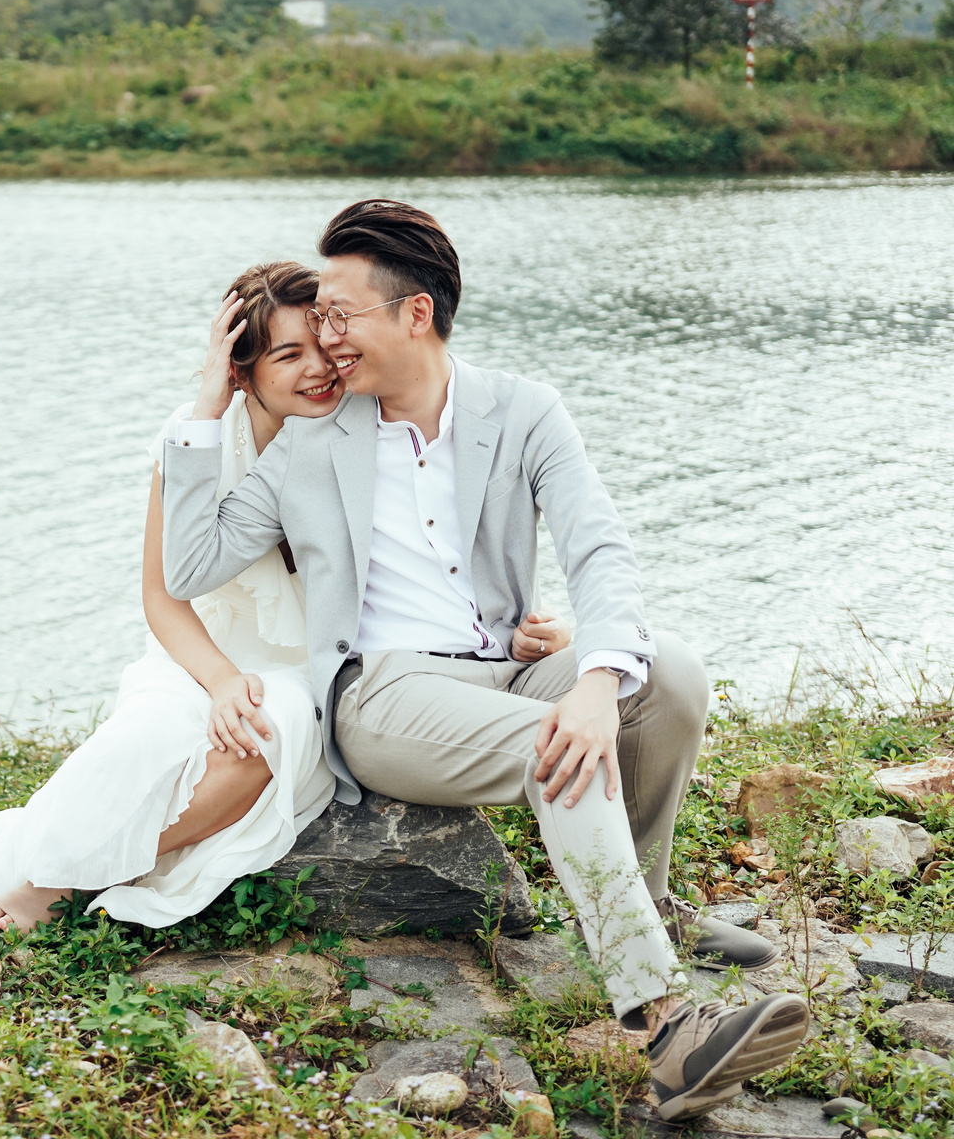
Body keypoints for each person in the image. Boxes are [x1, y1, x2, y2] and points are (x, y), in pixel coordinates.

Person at [160, 200, 805, 1122]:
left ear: (414, 313)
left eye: (342, 315)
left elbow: (600, 549)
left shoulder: (524, 410)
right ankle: (664, 1024)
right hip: (386, 694)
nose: (326, 335)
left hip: (503, 665)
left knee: (671, 678)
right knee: (560, 742)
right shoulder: (311, 441)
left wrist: (592, 677)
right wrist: (210, 408)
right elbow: (192, 565)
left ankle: (649, 910)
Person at [0, 262, 573, 935]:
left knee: (258, 738)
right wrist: (220, 680)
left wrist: (526, 635)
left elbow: (442, 570)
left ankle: (59, 883)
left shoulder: (375, 428)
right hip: (207, 653)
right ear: (240, 370)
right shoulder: (196, 437)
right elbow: (165, 598)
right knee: (142, 742)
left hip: (320, 673)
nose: (320, 369)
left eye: (329, 347)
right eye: (287, 355)